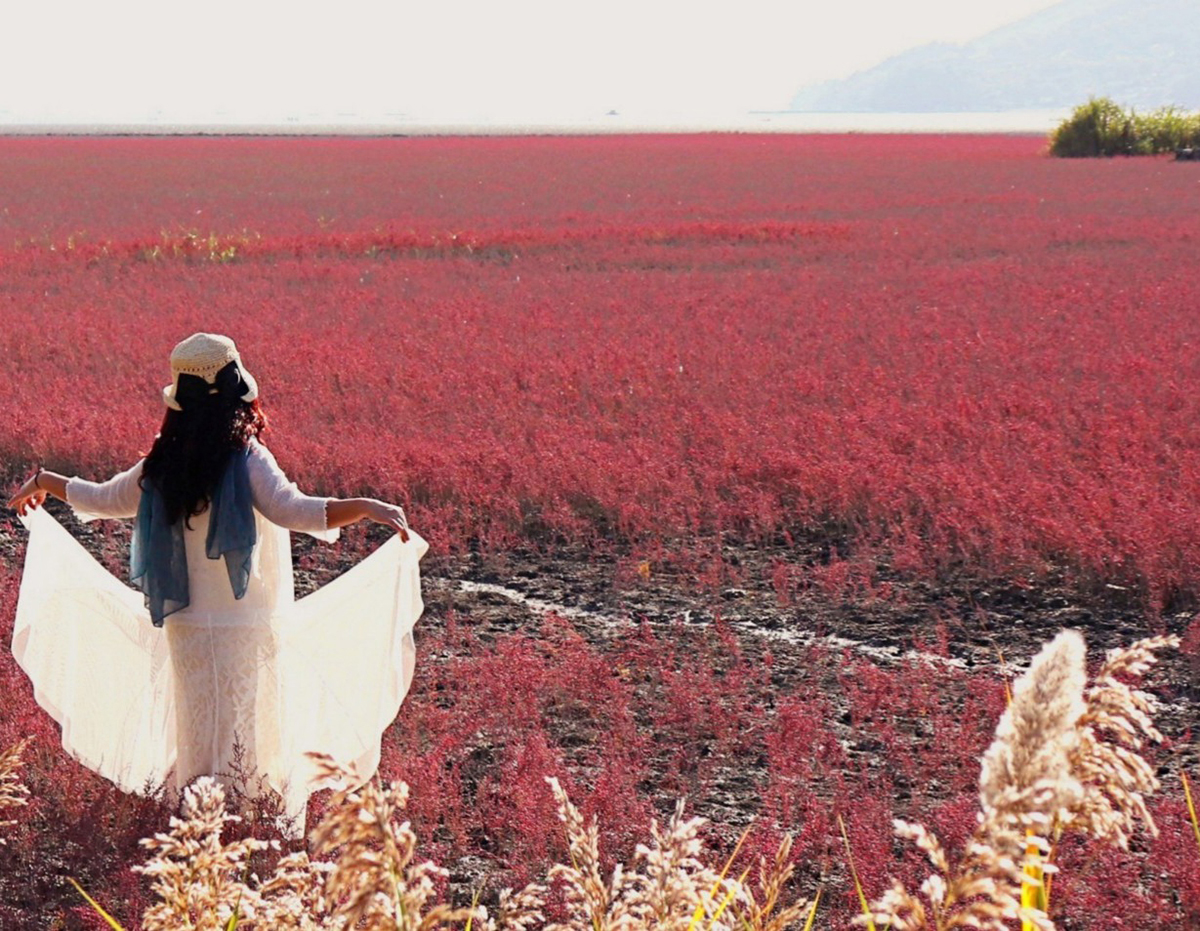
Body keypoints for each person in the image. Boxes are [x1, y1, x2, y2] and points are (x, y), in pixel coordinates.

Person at [6, 333, 427, 835]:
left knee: (198, 728)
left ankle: (195, 826)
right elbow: (294, 509)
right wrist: (368, 508)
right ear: (235, 391)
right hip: (244, 626)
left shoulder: (163, 463)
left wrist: (45, 481)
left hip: (184, 625)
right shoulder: (246, 457)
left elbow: (102, 498)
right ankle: (244, 830)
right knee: (244, 730)